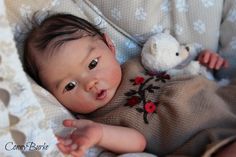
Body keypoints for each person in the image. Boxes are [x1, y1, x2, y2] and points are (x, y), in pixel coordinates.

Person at [23, 13, 236, 157]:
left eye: (93, 64)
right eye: (69, 86)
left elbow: (178, 62)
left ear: (109, 45)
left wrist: (205, 60)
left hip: (226, 98)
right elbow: (137, 143)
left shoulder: (140, 62)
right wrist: (100, 134)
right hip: (211, 138)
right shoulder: (99, 120)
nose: (90, 83)